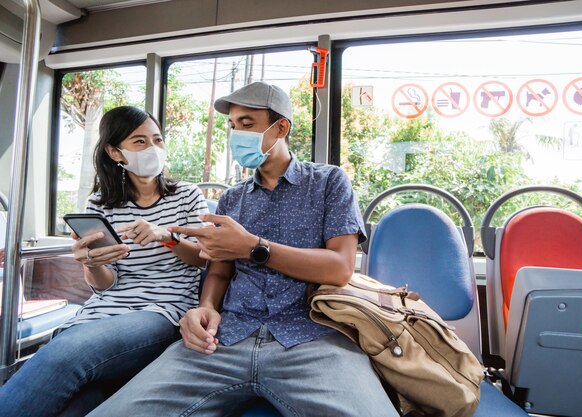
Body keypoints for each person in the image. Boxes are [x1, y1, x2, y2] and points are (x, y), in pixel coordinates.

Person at [86, 83, 398, 417]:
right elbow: (219, 270)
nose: (237, 134)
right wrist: (205, 308)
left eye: (247, 124)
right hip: (226, 339)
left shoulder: (328, 182)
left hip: (311, 338)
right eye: (233, 126)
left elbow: (339, 268)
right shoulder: (232, 199)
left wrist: (254, 247)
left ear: (281, 127)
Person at [0, 106, 208, 417]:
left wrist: (166, 236)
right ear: (115, 152)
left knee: (66, 354)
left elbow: (203, 259)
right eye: (139, 142)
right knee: (78, 402)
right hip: (104, 308)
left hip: (163, 308)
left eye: (158, 139)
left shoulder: (187, 195)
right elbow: (105, 284)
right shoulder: (100, 205)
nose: (153, 148)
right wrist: (91, 263)